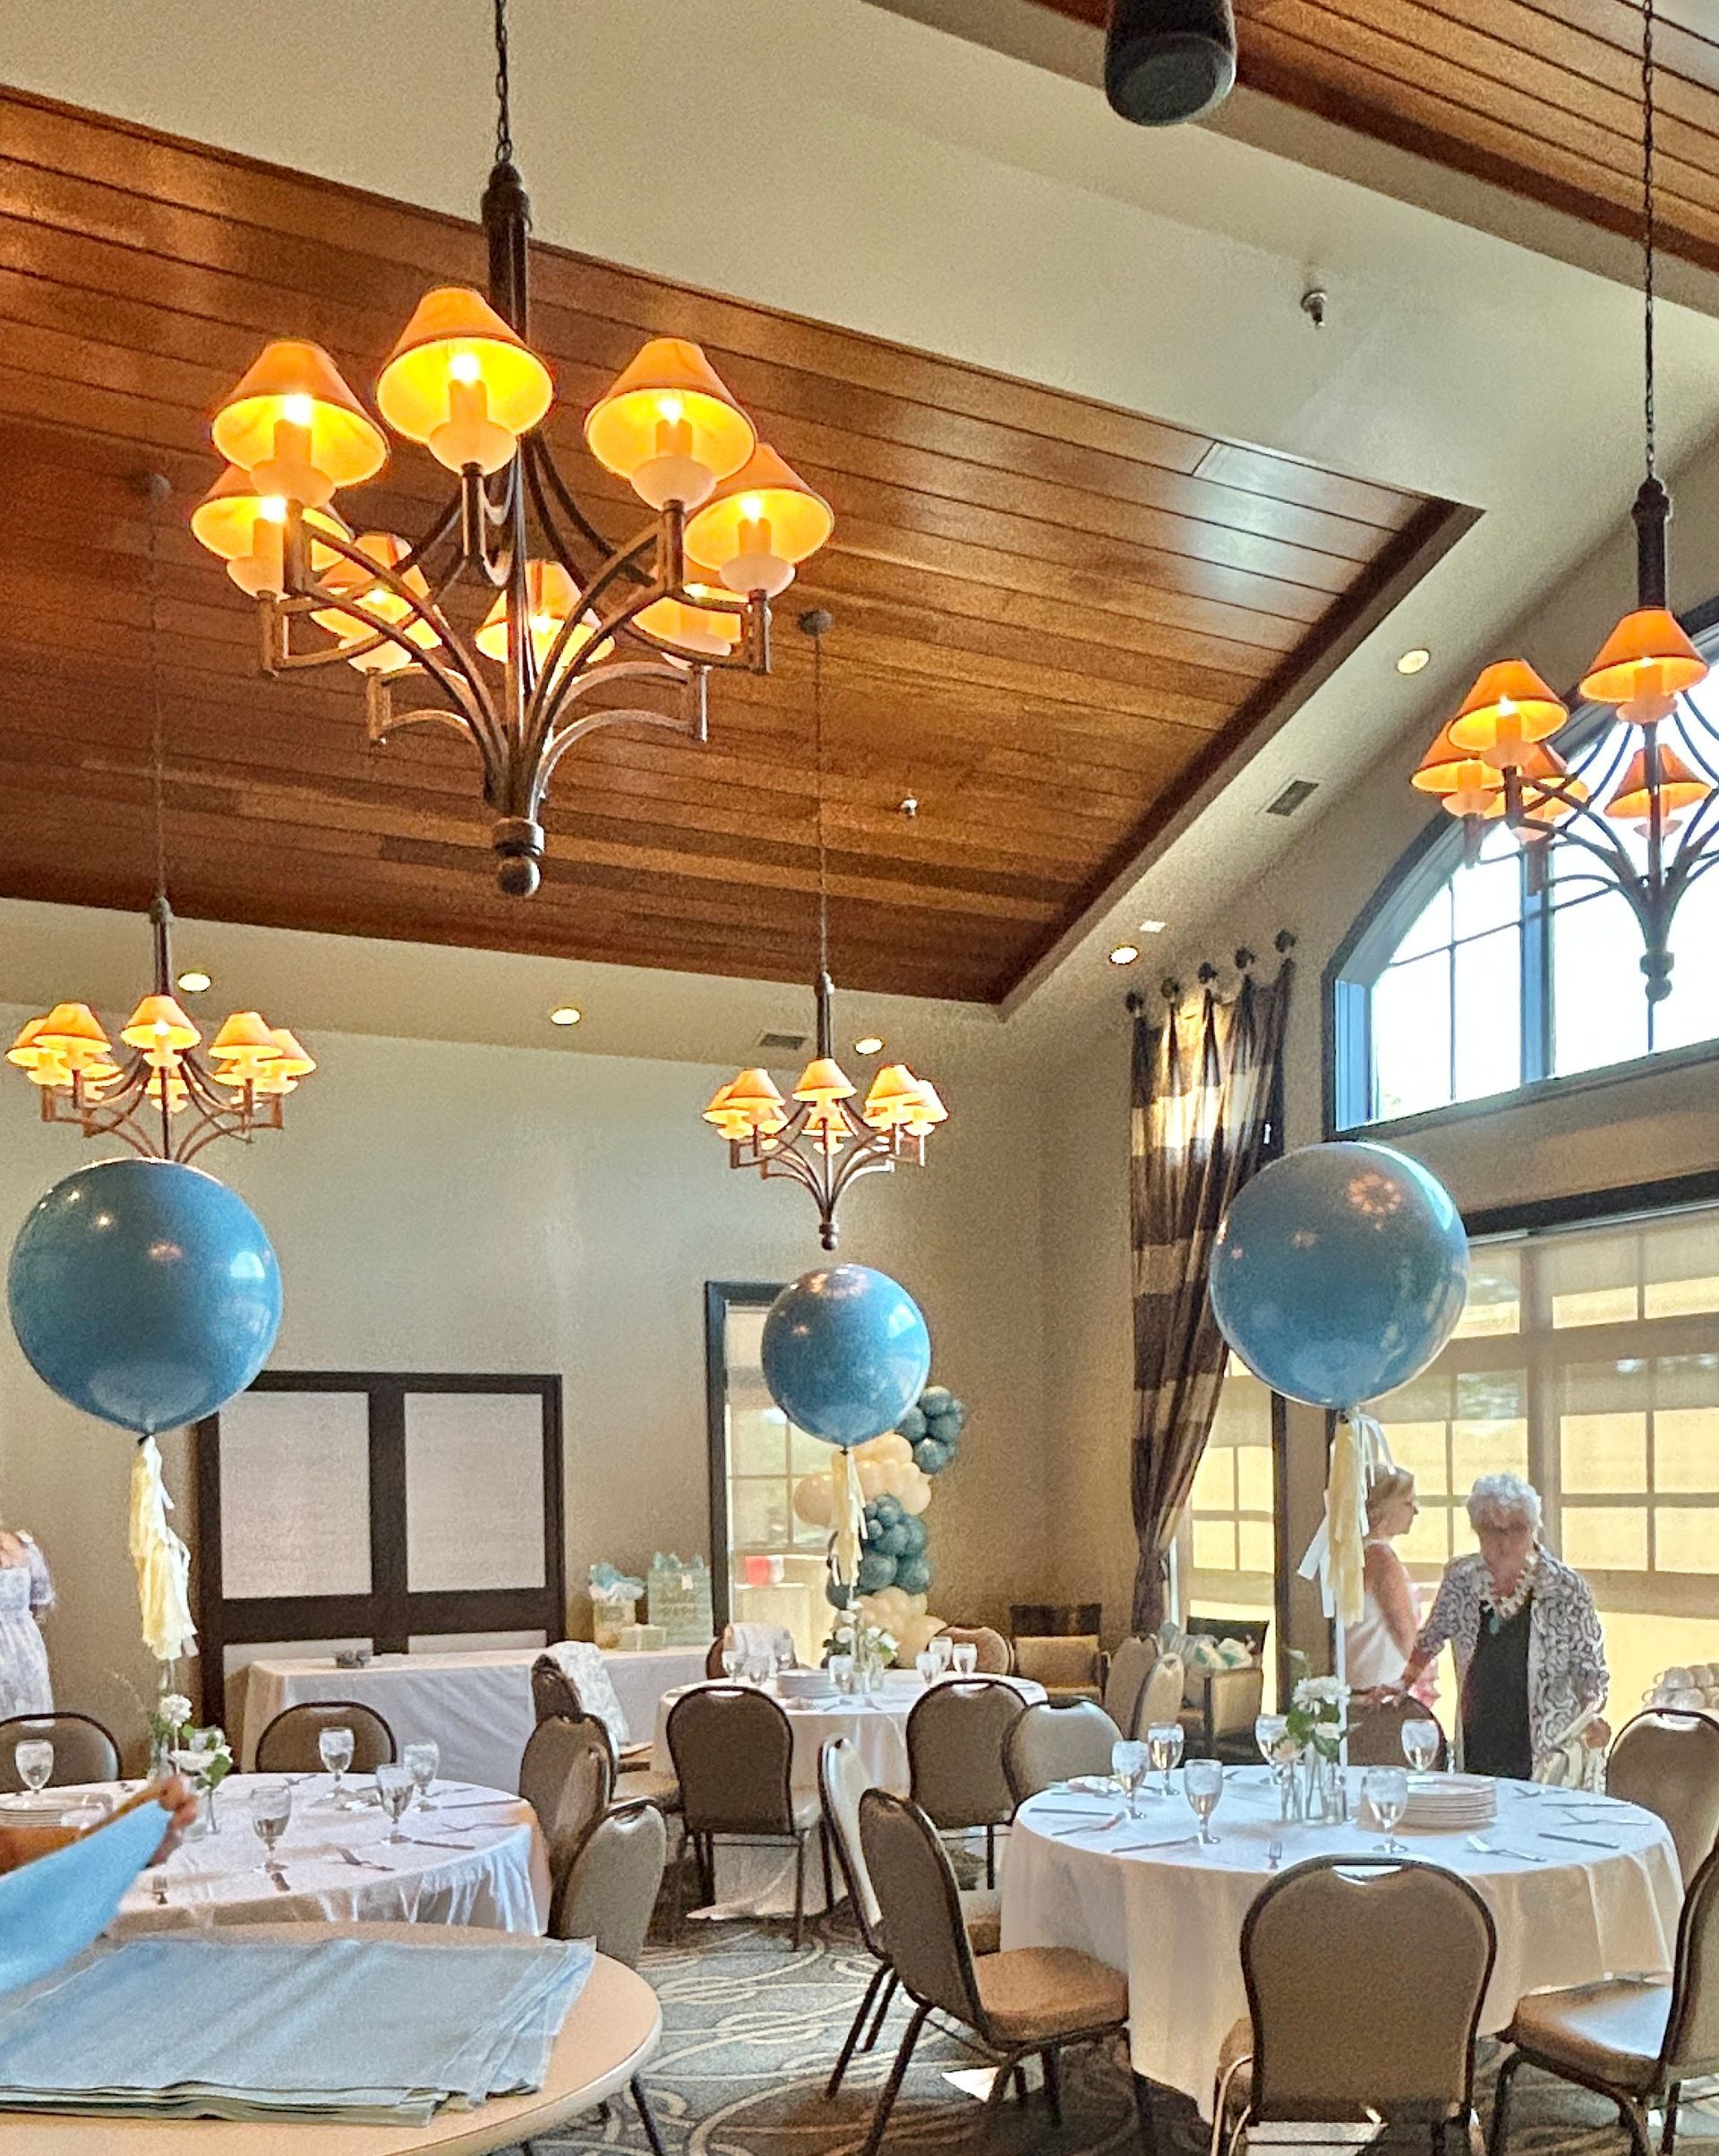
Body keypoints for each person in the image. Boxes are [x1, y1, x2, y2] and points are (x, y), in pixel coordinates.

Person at [1384, 1472, 1608, 1778]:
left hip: (1546, 1752)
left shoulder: (1565, 1588)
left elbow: (1589, 1667)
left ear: (1533, 1529)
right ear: (1477, 1530)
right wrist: (1402, 1683)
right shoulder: (1461, 1578)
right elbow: (1431, 1637)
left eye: (1516, 1529)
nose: (1505, 1541)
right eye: (1492, 1530)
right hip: (1479, 1739)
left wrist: (1592, 1714)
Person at [1344, 1468, 1434, 1705]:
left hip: (1361, 1683)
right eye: (1407, 1503)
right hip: (1380, 1687)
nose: (1415, 1511)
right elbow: (1402, 1628)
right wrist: (1417, 1673)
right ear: (1382, 1508)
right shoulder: (1380, 1557)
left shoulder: (1356, 1553)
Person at [0, 1527, 53, 1718]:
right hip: (25, 1648)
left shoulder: (22, 1545)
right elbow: (40, 1602)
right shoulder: (23, 1545)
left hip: (24, 1654)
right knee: (28, 1721)